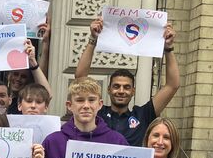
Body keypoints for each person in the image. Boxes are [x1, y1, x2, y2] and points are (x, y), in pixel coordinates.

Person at [74, 17, 180, 146]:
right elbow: (80, 78)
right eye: (116, 86)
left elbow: (172, 85)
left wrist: (168, 48)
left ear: (133, 91)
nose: (121, 91)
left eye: (127, 87)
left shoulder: (143, 115)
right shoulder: (97, 111)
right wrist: (93, 40)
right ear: (108, 89)